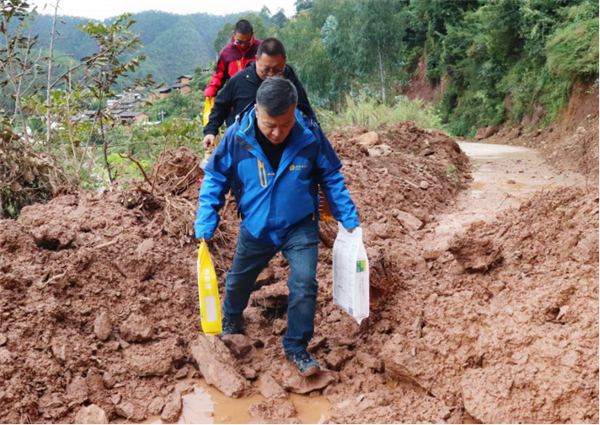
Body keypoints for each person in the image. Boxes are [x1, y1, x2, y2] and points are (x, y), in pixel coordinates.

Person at [195, 78, 359, 377]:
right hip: (256, 226)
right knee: (238, 280)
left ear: (294, 111)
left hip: (299, 225)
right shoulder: (236, 137)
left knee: (304, 284)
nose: (277, 132)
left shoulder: (310, 134)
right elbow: (216, 177)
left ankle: (296, 346)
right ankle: (232, 321)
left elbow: (331, 176)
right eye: (270, 124)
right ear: (257, 111)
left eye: (285, 124)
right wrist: (206, 220)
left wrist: (348, 219)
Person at [202, 38, 311, 150]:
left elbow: (306, 113)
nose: (271, 75)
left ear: (284, 61)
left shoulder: (291, 81)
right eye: (265, 70)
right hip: (244, 147)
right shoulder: (240, 80)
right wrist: (210, 131)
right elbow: (221, 106)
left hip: (285, 146)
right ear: (256, 59)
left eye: (278, 70)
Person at [204, 19, 262, 99]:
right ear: (234, 34)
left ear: (252, 34)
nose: (243, 45)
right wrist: (211, 89)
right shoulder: (227, 52)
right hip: (235, 98)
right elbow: (219, 75)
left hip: (258, 97)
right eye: (239, 41)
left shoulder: (262, 48)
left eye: (247, 42)